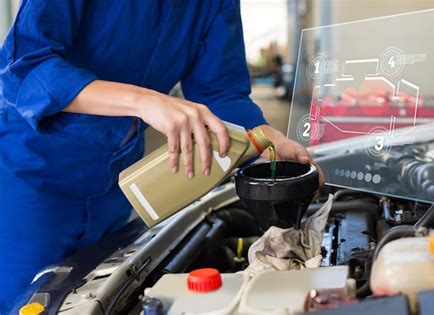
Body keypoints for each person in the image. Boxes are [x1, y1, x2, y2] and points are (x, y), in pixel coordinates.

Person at [0, 1, 322, 311]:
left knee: (95, 298)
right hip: (32, 176)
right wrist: (143, 101)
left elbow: (219, 91)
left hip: (119, 180)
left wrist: (267, 139)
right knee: (27, 302)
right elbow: (26, 66)